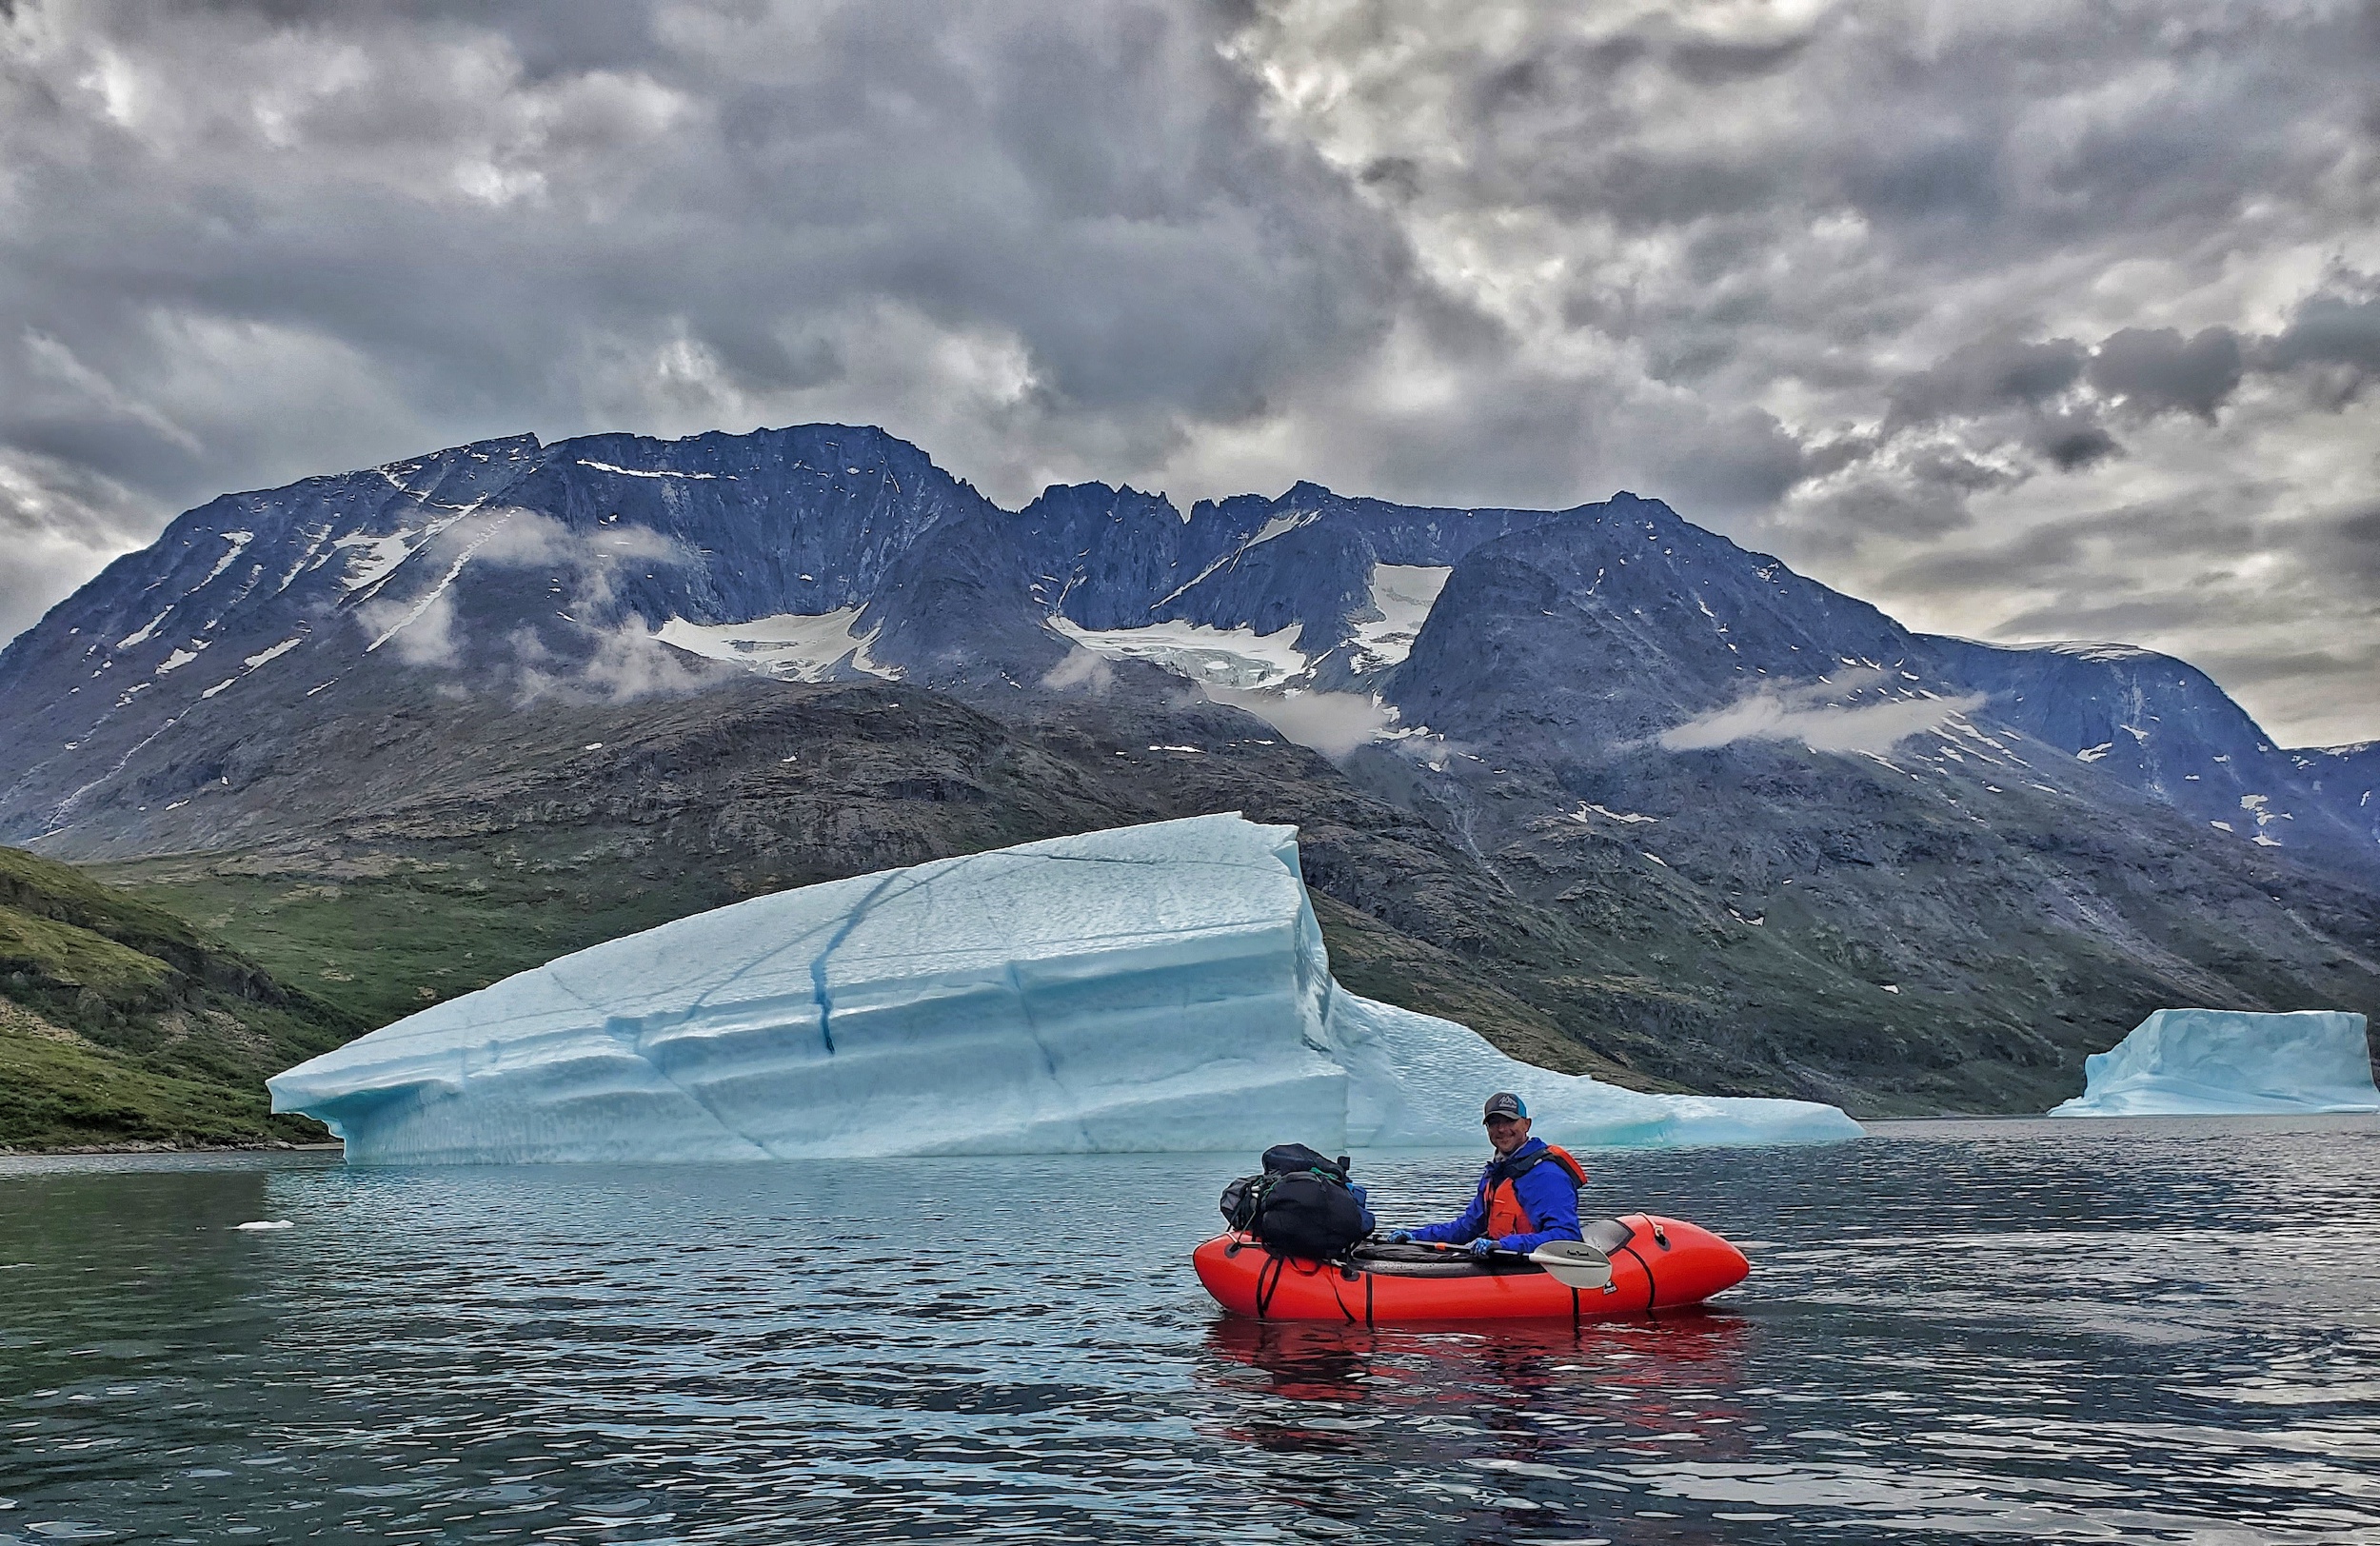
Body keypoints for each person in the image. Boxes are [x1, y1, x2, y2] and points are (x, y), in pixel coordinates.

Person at [1381, 1093, 1587, 1257]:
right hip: (1502, 1259)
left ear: (1526, 1124)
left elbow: (1566, 1236)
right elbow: (1466, 1227)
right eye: (1494, 1123)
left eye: (1510, 1121)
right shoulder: (1497, 1172)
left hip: (1531, 1269)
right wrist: (1415, 1237)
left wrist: (1502, 1245)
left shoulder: (1547, 1175)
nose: (1502, 1129)